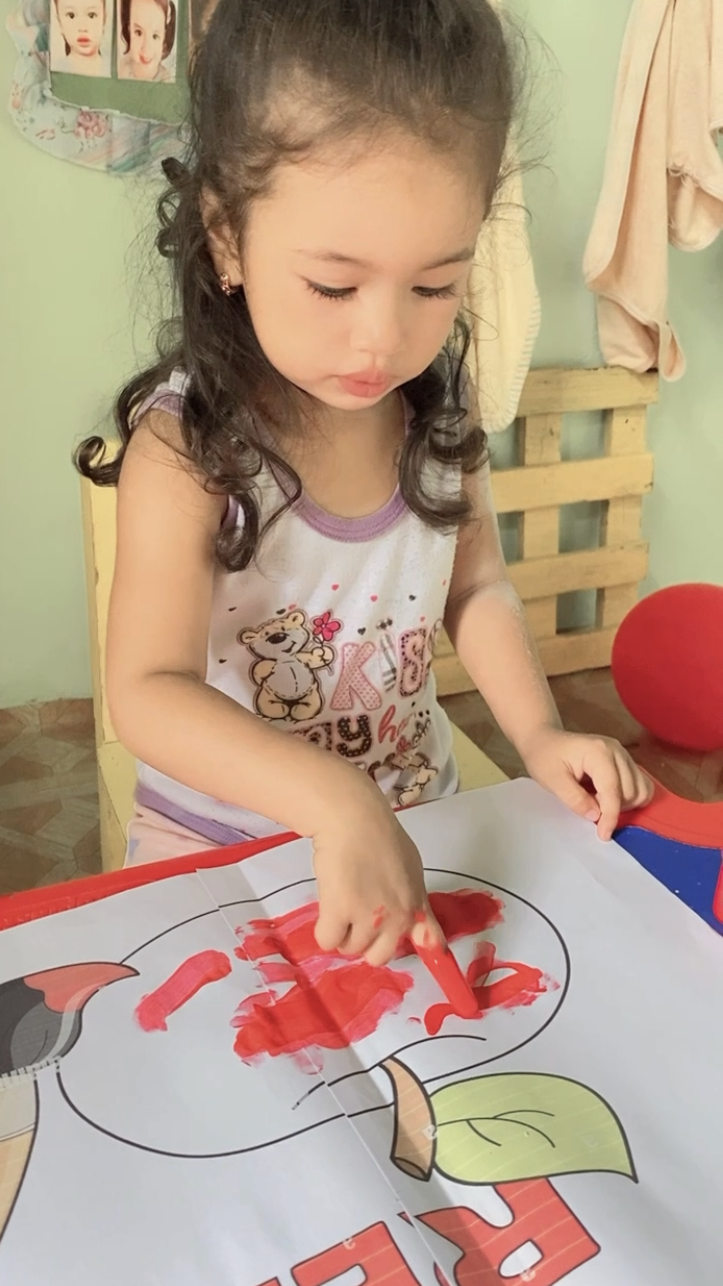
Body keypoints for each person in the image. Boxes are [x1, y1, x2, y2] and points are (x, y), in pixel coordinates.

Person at [78, 0, 653, 968]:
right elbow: (147, 690)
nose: (382, 340)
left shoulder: (440, 418)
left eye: (434, 286)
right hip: (223, 850)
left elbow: (477, 587)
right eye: (334, 286)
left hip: (417, 824)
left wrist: (541, 737)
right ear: (226, 236)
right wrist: (333, 800)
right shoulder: (188, 451)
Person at [117, 0, 176, 82]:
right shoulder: (118, 70)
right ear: (129, 29)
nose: (146, 49)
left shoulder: (169, 81)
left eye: (155, 36)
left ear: (164, 36)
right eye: (138, 33)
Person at [50, 0, 108, 76]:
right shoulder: (52, 73)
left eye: (91, 15)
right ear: (59, 23)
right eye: (71, 16)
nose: (82, 28)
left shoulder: (115, 70)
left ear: (104, 20)